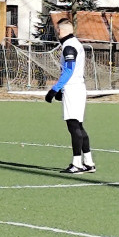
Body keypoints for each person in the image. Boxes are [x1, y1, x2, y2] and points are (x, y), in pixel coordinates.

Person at [46, 18, 95, 174]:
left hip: (73, 89)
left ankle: (77, 164)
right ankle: (89, 162)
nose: (57, 33)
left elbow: (69, 70)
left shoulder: (69, 46)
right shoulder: (75, 43)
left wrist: (54, 89)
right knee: (78, 126)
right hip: (78, 87)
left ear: (62, 31)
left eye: (58, 30)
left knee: (73, 126)